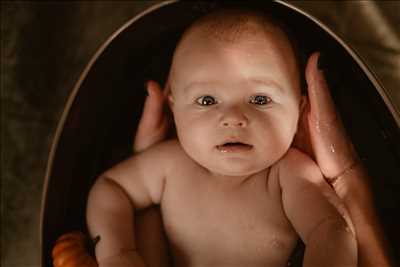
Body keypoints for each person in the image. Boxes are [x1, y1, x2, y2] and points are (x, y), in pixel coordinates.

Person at [86, 8, 389, 267]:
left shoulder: (287, 175)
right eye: (206, 101)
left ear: (300, 110)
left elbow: (331, 230)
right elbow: (111, 189)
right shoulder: (169, 163)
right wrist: (118, 254)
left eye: (259, 99)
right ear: (173, 109)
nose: (233, 117)